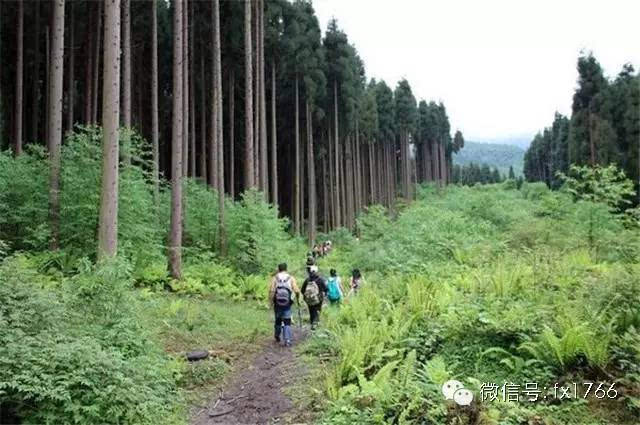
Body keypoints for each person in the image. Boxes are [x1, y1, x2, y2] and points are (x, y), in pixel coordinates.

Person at [268, 263, 300, 347]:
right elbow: (296, 290)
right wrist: (296, 299)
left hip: (277, 303)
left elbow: (272, 291)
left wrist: (270, 302)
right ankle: (287, 340)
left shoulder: (275, 278)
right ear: (286, 269)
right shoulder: (291, 278)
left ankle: (277, 335)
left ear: (278, 269)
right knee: (287, 321)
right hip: (287, 303)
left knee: (278, 320)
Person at [301, 265, 327, 329]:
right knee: (317, 309)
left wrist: (306, 296)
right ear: (316, 271)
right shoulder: (320, 279)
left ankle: (312, 322)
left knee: (311, 310)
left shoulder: (307, 280)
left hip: (309, 299)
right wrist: (324, 294)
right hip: (318, 298)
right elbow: (326, 289)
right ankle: (315, 323)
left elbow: (302, 290)